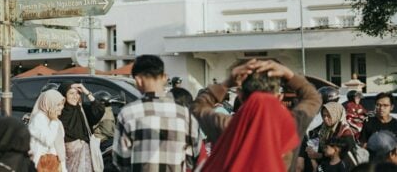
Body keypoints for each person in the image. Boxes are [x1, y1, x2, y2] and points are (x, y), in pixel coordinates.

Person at [191, 59, 321, 172]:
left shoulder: (227, 125)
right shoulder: (291, 124)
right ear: (279, 97)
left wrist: (227, 82)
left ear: (240, 96)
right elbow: (313, 98)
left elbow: (198, 107)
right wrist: (289, 74)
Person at [114, 54, 200, 171]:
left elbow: (121, 160)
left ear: (138, 80)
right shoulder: (185, 114)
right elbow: (195, 156)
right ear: (164, 77)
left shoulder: (128, 113)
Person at [58, 81, 105, 172]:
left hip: (85, 160)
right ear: (64, 95)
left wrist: (86, 92)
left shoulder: (82, 110)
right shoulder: (58, 112)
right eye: (71, 93)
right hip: (65, 161)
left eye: (78, 93)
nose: (75, 96)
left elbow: (99, 110)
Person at [306, 102, 357, 169]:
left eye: (329, 116)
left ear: (336, 115)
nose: (325, 118)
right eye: (324, 115)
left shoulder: (344, 132)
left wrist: (318, 155)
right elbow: (319, 147)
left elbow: (344, 156)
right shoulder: (323, 129)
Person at [28, 89, 66, 172]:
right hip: (42, 164)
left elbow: (60, 145)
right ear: (48, 104)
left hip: (55, 163)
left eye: (62, 104)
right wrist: (54, 122)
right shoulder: (39, 118)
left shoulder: (56, 120)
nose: (61, 107)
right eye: (58, 105)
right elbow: (48, 140)